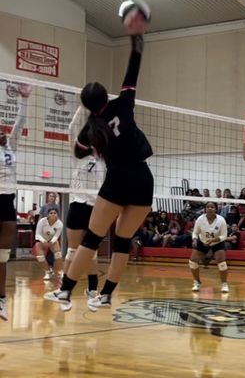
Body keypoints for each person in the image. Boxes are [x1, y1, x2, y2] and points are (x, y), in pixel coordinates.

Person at [44, 21, 154, 311]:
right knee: (123, 240)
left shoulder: (91, 129)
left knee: (92, 238)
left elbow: (79, 153)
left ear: (89, 105)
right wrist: (136, 35)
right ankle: (105, 295)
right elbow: (134, 66)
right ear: (107, 96)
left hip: (118, 178)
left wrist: (90, 136)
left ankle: (66, 292)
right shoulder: (124, 102)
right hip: (143, 177)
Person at [63, 105, 106, 307]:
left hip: (94, 207)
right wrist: (84, 107)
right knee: (72, 250)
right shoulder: (76, 157)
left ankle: (92, 290)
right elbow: (71, 129)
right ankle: (65, 292)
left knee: (91, 252)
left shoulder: (103, 159)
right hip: (77, 205)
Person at [0, 83, 31, 320]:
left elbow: (19, 122)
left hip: (7, 201)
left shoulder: (12, 145)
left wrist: (24, 99)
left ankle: (1, 300)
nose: (2, 131)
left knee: (3, 256)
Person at [189, 202, 229, 293]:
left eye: (212, 207)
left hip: (217, 242)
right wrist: (194, 240)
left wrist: (213, 240)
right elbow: (195, 233)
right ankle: (197, 282)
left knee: (222, 263)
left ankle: (224, 284)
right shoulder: (200, 219)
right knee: (192, 262)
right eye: (208, 207)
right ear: (205, 209)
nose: (210, 208)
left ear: (216, 209)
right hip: (202, 241)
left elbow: (224, 236)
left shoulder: (221, 220)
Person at [34, 209, 64, 283]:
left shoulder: (60, 224)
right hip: (40, 239)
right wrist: (44, 241)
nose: (53, 214)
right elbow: (37, 234)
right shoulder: (42, 221)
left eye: (55, 213)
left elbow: (57, 235)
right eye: (51, 213)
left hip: (52, 240)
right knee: (40, 258)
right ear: (48, 215)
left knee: (58, 254)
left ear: (57, 215)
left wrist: (51, 242)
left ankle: (60, 271)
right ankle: (48, 272)